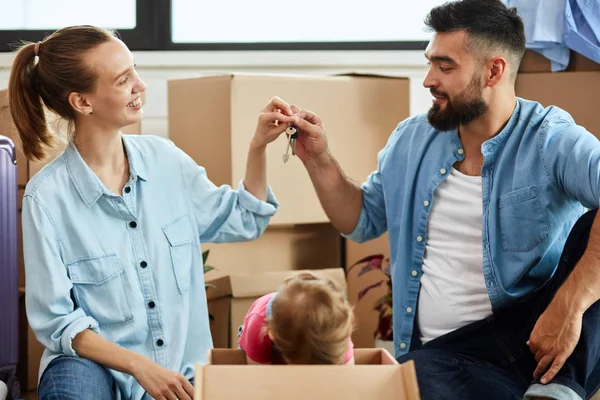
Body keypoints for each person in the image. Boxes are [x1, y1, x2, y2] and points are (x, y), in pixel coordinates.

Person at [284, 0, 600, 398]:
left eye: (445, 66)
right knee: (409, 379)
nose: (428, 79)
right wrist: (319, 159)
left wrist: (568, 307)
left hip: (539, 342)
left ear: (494, 70)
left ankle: (556, 391)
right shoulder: (411, 139)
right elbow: (360, 221)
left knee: (594, 238)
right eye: (430, 62)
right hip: (443, 358)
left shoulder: (550, 138)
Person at [9, 25, 299, 400]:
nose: (141, 86)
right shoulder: (45, 198)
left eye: (136, 70)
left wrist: (258, 146)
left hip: (180, 369)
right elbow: (57, 322)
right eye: (123, 79)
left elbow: (243, 219)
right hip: (95, 370)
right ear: (82, 102)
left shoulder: (167, 161)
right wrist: (138, 365)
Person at [238, 272, 355, 365]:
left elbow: (348, 375)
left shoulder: (336, 330)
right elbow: (258, 378)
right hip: (261, 330)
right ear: (273, 335)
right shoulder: (258, 327)